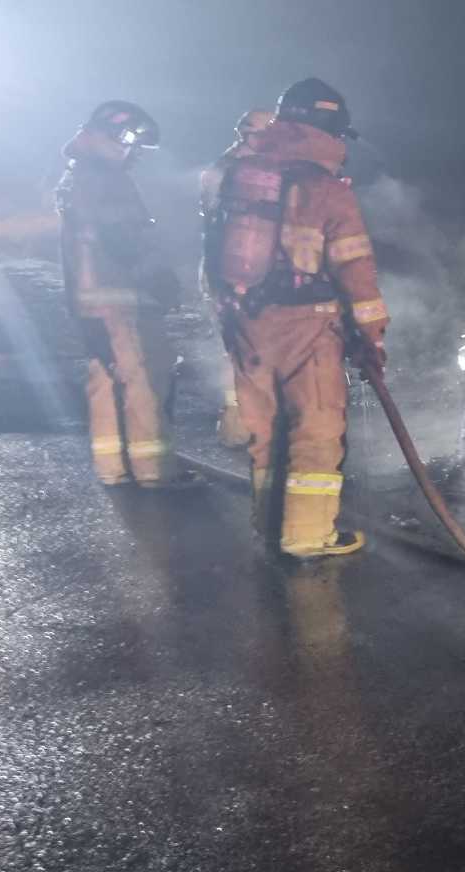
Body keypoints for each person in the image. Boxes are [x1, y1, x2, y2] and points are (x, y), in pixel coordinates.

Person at [205, 78, 388, 557]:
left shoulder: (238, 174)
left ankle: (268, 524)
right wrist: (372, 336)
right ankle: (307, 536)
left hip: (248, 320)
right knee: (316, 429)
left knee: (265, 429)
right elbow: (356, 270)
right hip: (308, 325)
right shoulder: (326, 188)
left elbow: (212, 250)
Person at [56, 100, 191, 487]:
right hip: (123, 299)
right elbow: (128, 240)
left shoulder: (77, 175)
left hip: (90, 300)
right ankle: (155, 471)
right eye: (130, 144)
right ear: (115, 136)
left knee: (105, 380)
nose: (133, 153)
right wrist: (162, 281)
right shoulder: (108, 180)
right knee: (145, 380)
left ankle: (113, 467)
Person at [199, 108, 275, 446]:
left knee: (239, 345)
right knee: (245, 345)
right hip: (240, 272)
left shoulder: (224, 167)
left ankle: (240, 425)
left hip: (229, 270)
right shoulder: (240, 171)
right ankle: (243, 426)